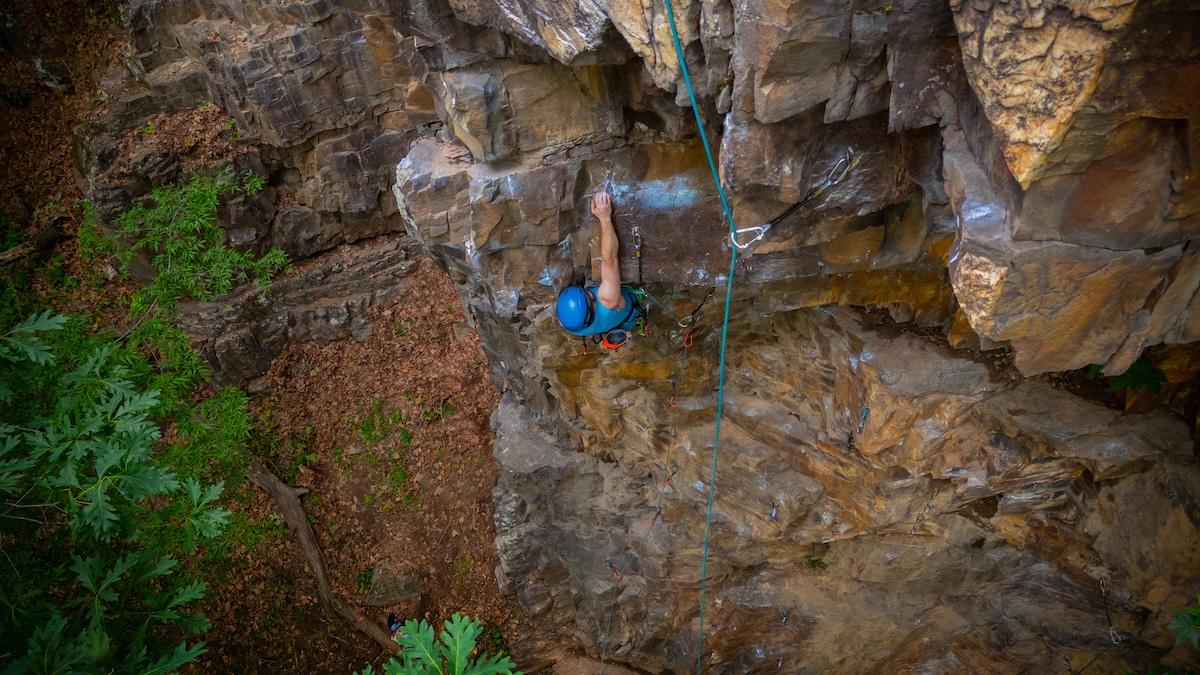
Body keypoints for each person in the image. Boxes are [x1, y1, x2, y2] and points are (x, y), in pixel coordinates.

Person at [555, 190, 644, 346]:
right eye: (589, 297)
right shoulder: (608, 299)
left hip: (612, 323)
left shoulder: (572, 325)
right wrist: (604, 218)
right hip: (627, 308)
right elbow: (610, 259)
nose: (590, 293)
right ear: (592, 309)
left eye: (584, 292)